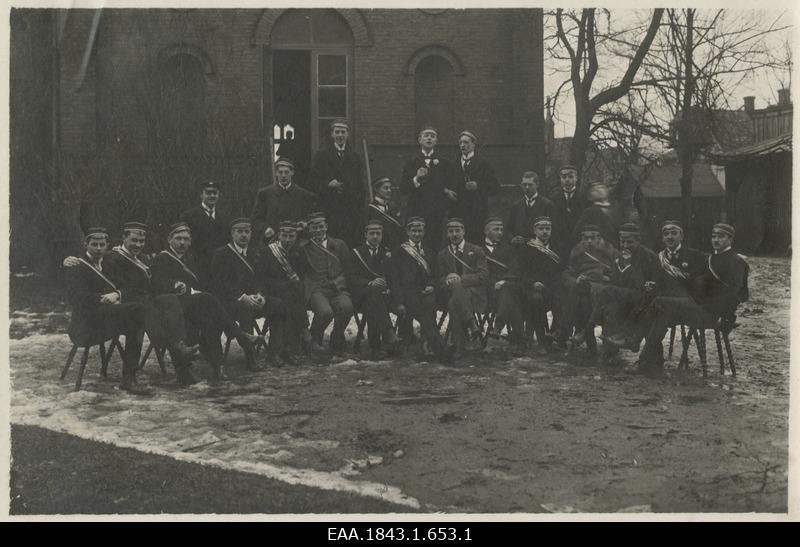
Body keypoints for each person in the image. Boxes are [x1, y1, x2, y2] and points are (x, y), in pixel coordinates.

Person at [90, 222, 201, 385]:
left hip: (144, 304)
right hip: (123, 307)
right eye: (134, 240)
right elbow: (110, 285)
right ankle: (130, 377)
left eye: (141, 241)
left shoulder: (141, 258)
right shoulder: (111, 258)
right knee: (142, 316)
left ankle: (181, 356)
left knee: (170, 299)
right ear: (124, 238)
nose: (138, 245)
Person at [150, 222, 261, 380]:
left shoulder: (190, 258)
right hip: (172, 307)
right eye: (179, 239)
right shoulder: (162, 258)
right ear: (170, 240)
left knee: (212, 319)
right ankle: (240, 335)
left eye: (186, 239)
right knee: (208, 299)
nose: (183, 243)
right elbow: (157, 284)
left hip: (191, 306)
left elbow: (199, 283)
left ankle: (218, 366)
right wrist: (174, 285)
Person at [634, 223, 748, 375]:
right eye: (714, 236)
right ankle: (648, 363)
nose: (716, 240)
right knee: (660, 314)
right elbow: (692, 282)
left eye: (721, 237)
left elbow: (735, 294)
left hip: (713, 312)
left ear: (730, 240)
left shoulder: (736, 261)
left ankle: (635, 342)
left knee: (659, 302)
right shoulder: (711, 259)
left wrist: (722, 313)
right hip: (698, 306)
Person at [64, 227, 149, 395]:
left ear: (107, 245)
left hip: (107, 321)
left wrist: (117, 294)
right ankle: (132, 373)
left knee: (136, 324)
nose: (98, 248)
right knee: (138, 311)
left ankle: (129, 378)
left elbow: (128, 287)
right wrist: (102, 298)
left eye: (102, 244)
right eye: (94, 244)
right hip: (86, 325)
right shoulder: (77, 266)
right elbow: (77, 298)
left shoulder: (110, 264)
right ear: (85, 244)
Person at [210, 218, 292, 368]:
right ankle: (251, 356)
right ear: (232, 234)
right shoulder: (222, 253)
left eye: (247, 232)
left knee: (278, 305)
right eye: (239, 232)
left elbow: (262, 278)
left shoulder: (256, 252)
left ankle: (274, 353)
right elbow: (221, 283)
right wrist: (242, 297)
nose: (243, 235)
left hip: (254, 299)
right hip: (231, 303)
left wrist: (260, 293)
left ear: (251, 234)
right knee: (244, 307)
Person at [588, 223, 659, 362]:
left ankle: (588, 328)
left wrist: (628, 266)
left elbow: (645, 285)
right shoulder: (620, 256)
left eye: (630, 242)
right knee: (611, 307)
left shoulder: (648, 256)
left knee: (607, 291)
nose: (625, 245)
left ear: (638, 240)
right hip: (625, 297)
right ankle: (610, 350)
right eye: (622, 241)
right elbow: (616, 280)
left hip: (643, 299)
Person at [391, 217, 453, 363]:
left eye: (420, 231)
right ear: (408, 232)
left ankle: (428, 345)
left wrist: (432, 285)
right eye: (414, 231)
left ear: (424, 232)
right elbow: (394, 280)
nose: (417, 234)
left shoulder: (430, 252)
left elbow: (436, 275)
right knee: (425, 312)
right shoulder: (399, 252)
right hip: (408, 294)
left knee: (429, 304)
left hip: (427, 292)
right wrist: (399, 301)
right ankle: (440, 349)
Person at [299, 211, 354, 356]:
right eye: (313, 228)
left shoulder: (339, 245)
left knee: (346, 307)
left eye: (321, 227)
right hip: (316, 289)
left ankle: (337, 339)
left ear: (326, 227)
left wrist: (344, 286)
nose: (318, 230)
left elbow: (348, 269)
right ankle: (314, 341)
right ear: (308, 230)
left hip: (337, 288)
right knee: (325, 312)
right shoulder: (303, 247)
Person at [508, 216, 565, 353]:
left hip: (551, 288)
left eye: (548, 229)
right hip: (531, 289)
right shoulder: (527, 248)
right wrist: (533, 282)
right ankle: (541, 341)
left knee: (563, 300)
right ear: (534, 230)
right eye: (541, 229)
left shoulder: (558, 247)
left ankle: (553, 336)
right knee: (535, 299)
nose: (545, 232)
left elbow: (560, 271)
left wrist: (552, 285)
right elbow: (521, 273)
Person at [560, 224, 619, 355]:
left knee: (587, 302)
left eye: (593, 238)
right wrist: (576, 280)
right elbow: (568, 272)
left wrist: (604, 277)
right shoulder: (577, 251)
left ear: (599, 237)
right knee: (581, 300)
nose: (589, 241)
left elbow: (620, 272)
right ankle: (589, 344)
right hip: (584, 289)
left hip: (605, 290)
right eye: (586, 238)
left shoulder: (611, 251)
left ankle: (566, 331)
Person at [348, 221, 401, 359]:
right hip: (361, 294)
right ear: (365, 235)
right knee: (372, 296)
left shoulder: (387, 253)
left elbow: (394, 278)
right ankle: (388, 334)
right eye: (372, 233)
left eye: (378, 233)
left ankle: (376, 347)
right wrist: (370, 283)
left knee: (373, 301)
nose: (375, 236)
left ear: (382, 235)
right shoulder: (356, 253)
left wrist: (396, 298)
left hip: (383, 296)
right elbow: (351, 278)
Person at [308, 119, 365, 248]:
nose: (340, 135)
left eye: (343, 132)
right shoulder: (322, 155)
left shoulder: (355, 157)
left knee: (349, 243)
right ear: (332, 134)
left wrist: (357, 205)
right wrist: (328, 184)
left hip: (350, 210)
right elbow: (312, 182)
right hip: (330, 209)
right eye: (337, 132)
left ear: (347, 134)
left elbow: (361, 184)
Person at [436, 217, 489, 355]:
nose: (454, 234)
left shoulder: (476, 250)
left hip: (474, 293)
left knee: (454, 303)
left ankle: (459, 346)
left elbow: (483, 276)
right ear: (447, 234)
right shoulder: (442, 254)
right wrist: (447, 280)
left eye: (457, 231)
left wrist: (461, 279)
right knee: (454, 289)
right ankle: (471, 324)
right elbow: (439, 279)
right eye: (451, 231)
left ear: (463, 232)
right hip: (449, 293)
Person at [261, 220, 311, 357]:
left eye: (292, 236)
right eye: (284, 236)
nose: (287, 240)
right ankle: (303, 333)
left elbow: (301, 274)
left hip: (291, 294)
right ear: (279, 235)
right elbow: (264, 279)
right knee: (294, 291)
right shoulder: (268, 251)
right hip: (272, 290)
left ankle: (287, 348)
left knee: (291, 297)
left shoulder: (299, 252)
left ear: (296, 237)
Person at [400, 126, 454, 250]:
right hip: (416, 212)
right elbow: (403, 188)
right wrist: (417, 178)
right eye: (426, 135)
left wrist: (445, 192)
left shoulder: (444, 163)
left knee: (434, 244)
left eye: (432, 136)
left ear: (436, 141)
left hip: (436, 214)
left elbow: (449, 185)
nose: (429, 138)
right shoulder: (411, 163)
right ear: (419, 140)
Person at [251, 157, 317, 248]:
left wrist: (305, 223)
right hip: (273, 243)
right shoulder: (265, 193)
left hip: (298, 244)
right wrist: (265, 228)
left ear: (292, 173)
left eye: (286, 172)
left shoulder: (304, 195)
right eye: (280, 172)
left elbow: (312, 218)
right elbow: (256, 219)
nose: (283, 175)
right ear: (276, 173)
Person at [448, 130, 499, 244]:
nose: (462, 145)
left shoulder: (483, 164)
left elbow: (495, 187)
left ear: (473, 144)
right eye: (460, 142)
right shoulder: (453, 164)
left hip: (476, 213)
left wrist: (478, 186)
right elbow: (446, 184)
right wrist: (447, 191)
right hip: (457, 212)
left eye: (466, 142)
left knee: (475, 244)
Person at [180, 180, 229, 289]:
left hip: (220, 266)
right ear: (201, 195)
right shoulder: (189, 216)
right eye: (208, 193)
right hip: (199, 265)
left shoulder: (224, 216)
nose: (212, 196)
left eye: (215, 193)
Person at [549, 164, 588, 258]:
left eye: (570, 177)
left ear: (576, 178)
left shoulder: (584, 198)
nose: (567, 180)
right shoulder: (553, 198)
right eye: (564, 177)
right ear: (560, 179)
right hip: (559, 241)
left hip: (579, 240)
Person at [505, 171, 555, 244]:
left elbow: (553, 230)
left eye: (530, 185)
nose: (527, 187)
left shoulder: (547, 205)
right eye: (524, 185)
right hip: (519, 249)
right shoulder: (516, 206)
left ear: (537, 185)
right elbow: (508, 229)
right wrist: (512, 239)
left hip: (539, 249)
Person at [573, 181, 626, 248]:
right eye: (594, 189)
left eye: (601, 187)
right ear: (589, 196)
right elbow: (578, 233)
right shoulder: (589, 212)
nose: (598, 190)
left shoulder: (617, 209)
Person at [364, 176, 404, 251]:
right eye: (385, 188)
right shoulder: (370, 210)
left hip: (396, 249)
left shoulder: (394, 208)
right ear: (376, 189)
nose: (389, 191)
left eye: (390, 188)